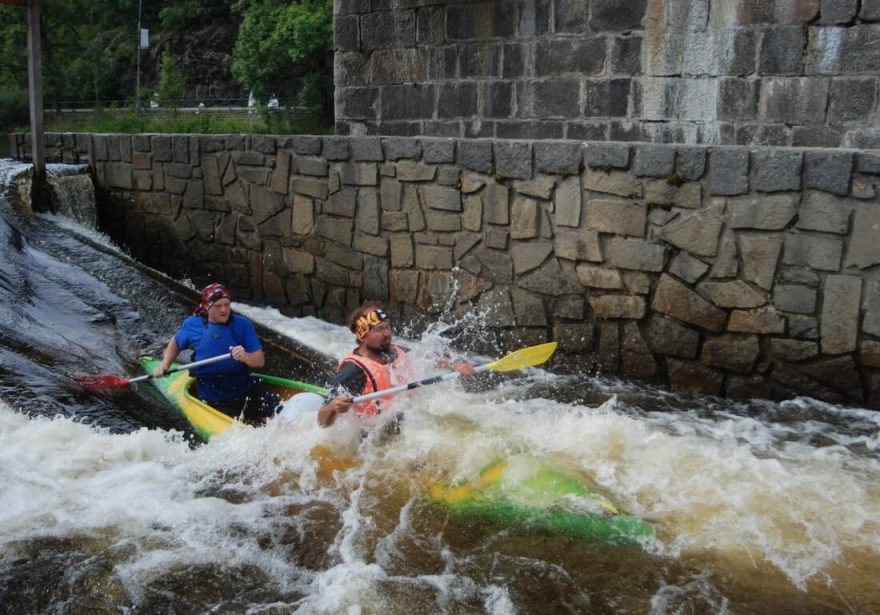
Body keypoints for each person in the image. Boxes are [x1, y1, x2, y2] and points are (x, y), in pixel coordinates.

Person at [317, 304, 474, 428]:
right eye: (379, 329)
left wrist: (456, 364)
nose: (387, 334)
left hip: (411, 421)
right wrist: (334, 407)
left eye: (387, 327)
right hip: (375, 436)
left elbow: (429, 358)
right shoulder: (353, 370)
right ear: (363, 336)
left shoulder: (394, 350)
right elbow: (322, 419)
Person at [153, 282, 281, 424]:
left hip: (246, 388)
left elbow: (259, 361)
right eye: (218, 306)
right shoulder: (192, 325)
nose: (224, 310)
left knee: (278, 417)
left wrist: (245, 356)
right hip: (215, 397)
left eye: (226, 304)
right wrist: (165, 364)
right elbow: (176, 342)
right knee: (247, 427)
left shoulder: (243, 324)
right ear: (207, 308)